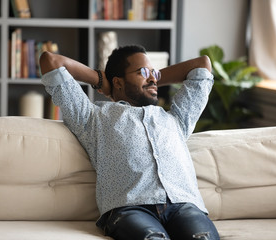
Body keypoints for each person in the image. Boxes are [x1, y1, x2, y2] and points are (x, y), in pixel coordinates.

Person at [40, 45, 220, 240]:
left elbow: (202, 66)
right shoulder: (93, 118)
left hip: (184, 205)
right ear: (117, 81)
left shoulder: (176, 119)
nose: (153, 78)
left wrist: (149, 80)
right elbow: (51, 62)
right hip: (130, 209)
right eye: (142, 72)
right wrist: (101, 80)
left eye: (154, 73)